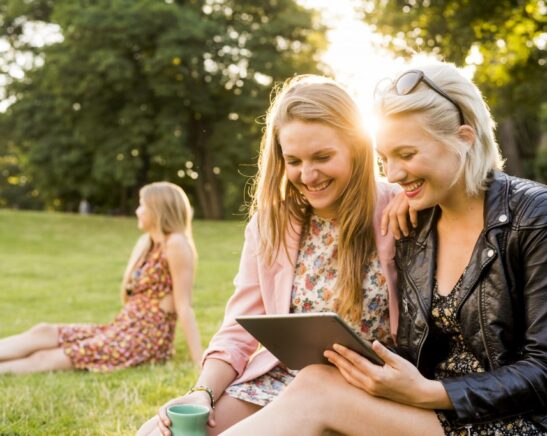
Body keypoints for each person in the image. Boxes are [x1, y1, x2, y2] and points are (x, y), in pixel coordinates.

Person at [219, 61, 547, 435]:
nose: (392, 175)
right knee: (312, 384)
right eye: (385, 158)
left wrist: (429, 392)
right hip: (433, 412)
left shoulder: (533, 217)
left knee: (316, 392)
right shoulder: (415, 220)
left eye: (406, 155)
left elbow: (543, 370)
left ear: (465, 138)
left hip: (509, 421)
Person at [137, 75, 400, 436]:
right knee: (156, 433)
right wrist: (202, 393)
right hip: (278, 383)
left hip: (364, 392)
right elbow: (238, 328)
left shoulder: (399, 210)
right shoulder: (271, 225)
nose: (308, 175)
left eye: (322, 157)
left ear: (356, 147)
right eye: (294, 160)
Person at [0, 181, 202, 374]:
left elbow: (183, 305)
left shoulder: (176, 244)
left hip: (143, 339)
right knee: (43, 331)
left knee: (46, 358)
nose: (137, 211)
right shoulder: (148, 243)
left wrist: (199, 362)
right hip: (121, 328)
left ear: (159, 210)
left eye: (142, 206)